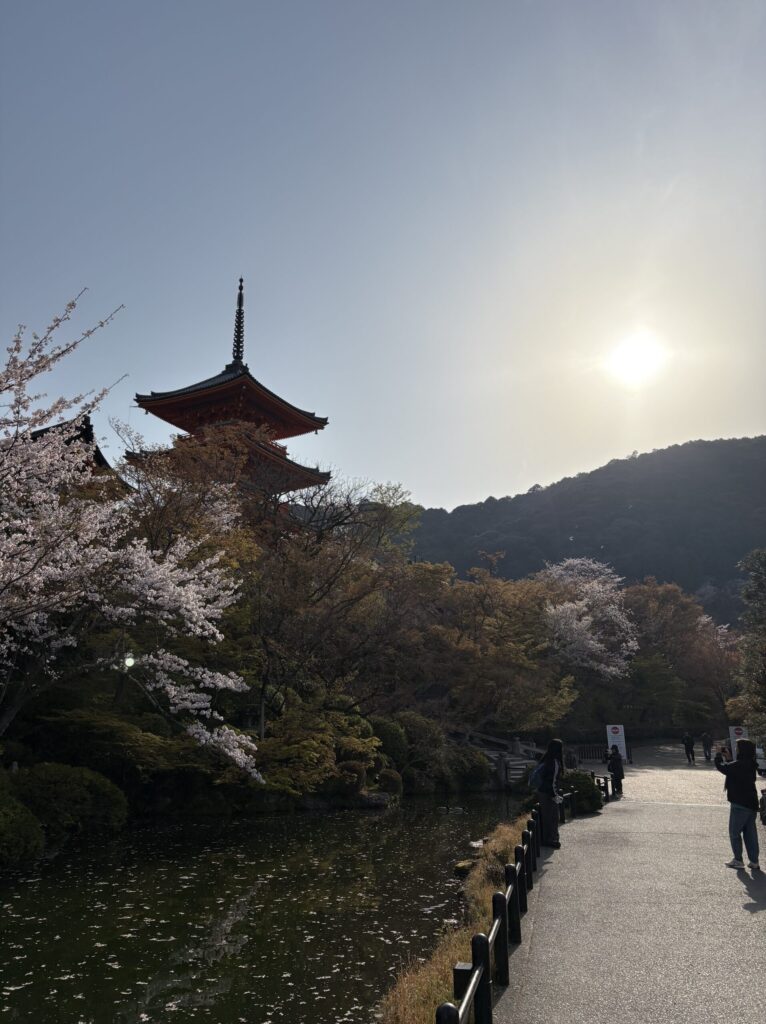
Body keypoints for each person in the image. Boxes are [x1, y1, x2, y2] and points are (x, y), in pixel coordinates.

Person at [714, 738, 760, 870]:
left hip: (739, 803)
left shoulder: (739, 764)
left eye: (737, 748)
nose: (735, 749)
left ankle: (738, 860)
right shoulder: (750, 763)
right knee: (750, 833)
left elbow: (722, 768)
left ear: (742, 750)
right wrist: (728, 759)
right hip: (751, 803)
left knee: (734, 833)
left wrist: (718, 755)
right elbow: (733, 770)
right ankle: (754, 861)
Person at [533, 738, 564, 849]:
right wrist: (555, 795)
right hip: (549, 793)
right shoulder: (554, 762)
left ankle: (545, 838)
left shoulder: (546, 759)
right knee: (553, 817)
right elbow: (552, 781)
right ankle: (551, 839)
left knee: (546, 816)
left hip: (542, 791)